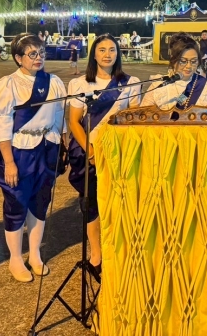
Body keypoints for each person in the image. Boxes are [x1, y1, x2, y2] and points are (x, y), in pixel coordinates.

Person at [0, 33, 66, 283]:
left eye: (41, 53)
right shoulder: (8, 84)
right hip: (19, 151)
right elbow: (2, 125)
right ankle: (15, 258)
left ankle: (35, 254)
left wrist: (61, 144)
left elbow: (59, 116)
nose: (38, 58)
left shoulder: (54, 81)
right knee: (16, 204)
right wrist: (9, 162)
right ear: (18, 58)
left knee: (40, 201)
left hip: (46, 147)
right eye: (32, 54)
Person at [67, 34, 142, 272]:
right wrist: (90, 152)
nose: (107, 54)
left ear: (118, 53)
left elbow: (134, 118)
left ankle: (116, 250)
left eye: (112, 50)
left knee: (118, 202)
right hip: (87, 152)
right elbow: (74, 122)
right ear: (94, 54)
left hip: (118, 153)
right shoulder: (80, 84)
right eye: (102, 50)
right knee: (91, 204)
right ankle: (96, 254)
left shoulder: (131, 82)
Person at [142, 33, 207, 109]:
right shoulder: (159, 85)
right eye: (183, 61)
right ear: (173, 59)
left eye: (194, 61)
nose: (189, 66)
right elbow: (143, 114)